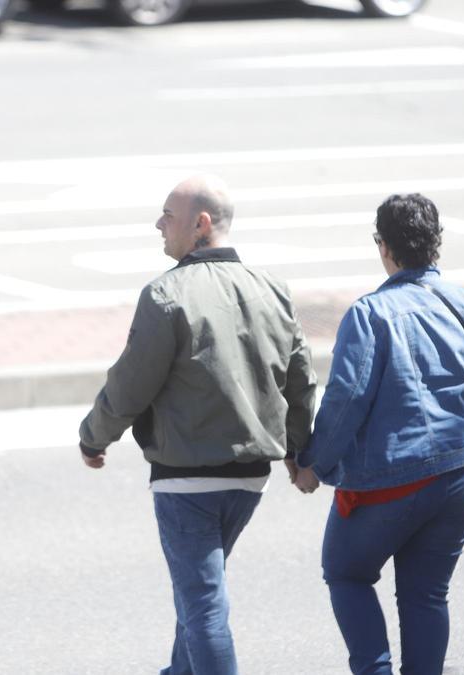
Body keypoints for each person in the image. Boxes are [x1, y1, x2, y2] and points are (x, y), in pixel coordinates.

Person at [77, 174, 317, 675]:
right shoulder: (272, 290)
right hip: (250, 479)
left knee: (203, 605)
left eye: (168, 215)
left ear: (201, 224)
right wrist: (299, 453)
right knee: (198, 596)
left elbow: (130, 385)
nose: (158, 224)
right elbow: (300, 381)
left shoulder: (166, 295)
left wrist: (93, 438)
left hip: (186, 478)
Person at [293, 193, 464, 675]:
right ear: (435, 242)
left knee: (346, 571)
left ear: (383, 246)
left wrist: (313, 464)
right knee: (427, 593)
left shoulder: (371, 314)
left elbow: (346, 401)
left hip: (395, 478)